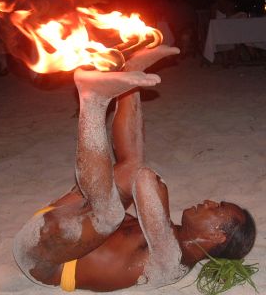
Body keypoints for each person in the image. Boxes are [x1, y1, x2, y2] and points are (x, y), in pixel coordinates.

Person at [13, 45, 256, 292]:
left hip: (44, 259)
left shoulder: (173, 262)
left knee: (110, 214)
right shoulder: (171, 232)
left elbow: (146, 182)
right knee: (131, 167)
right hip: (56, 219)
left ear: (218, 237)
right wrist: (134, 76)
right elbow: (138, 174)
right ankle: (131, 74)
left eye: (218, 209)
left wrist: (158, 187)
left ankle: (93, 100)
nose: (208, 202)